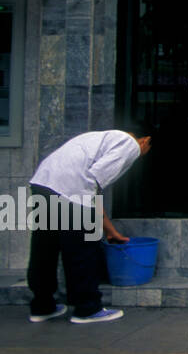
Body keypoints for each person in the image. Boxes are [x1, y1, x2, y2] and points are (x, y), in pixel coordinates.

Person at [27, 128, 152, 324]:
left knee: (45, 248)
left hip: (42, 183)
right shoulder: (131, 145)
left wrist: (110, 231)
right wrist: (106, 228)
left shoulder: (100, 138)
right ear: (145, 140)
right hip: (71, 190)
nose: (143, 154)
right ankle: (87, 309)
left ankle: (42, 306)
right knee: (82, 249)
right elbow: (94, 182)